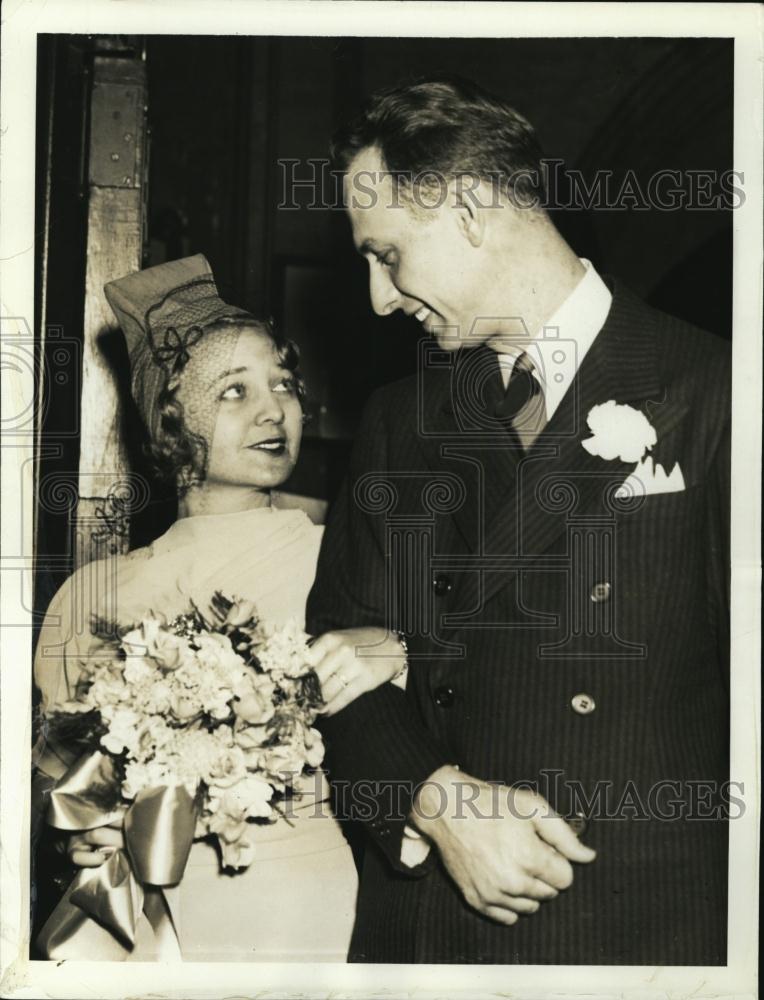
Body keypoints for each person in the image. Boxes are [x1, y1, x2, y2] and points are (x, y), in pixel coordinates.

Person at [306, 77, 730, 965]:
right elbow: (336, 659)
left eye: (386, 254)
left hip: (637, 923)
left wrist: (415, 643)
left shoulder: (720, 393)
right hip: (430, 924)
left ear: (467, 208)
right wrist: (431, 797)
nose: (379, 299)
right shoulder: (397, 418)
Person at [32, 254, 407, 962]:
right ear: (169, 424)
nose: (275, 410)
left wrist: (399, 646)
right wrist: (81, 829)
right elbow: (55, 779)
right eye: (234, 392)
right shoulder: (91, 593)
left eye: (284, 386)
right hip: (130, 913)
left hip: (300, 907)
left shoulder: (345, 558)